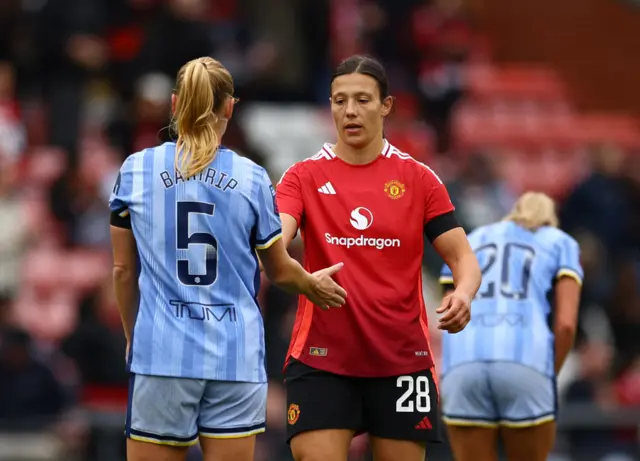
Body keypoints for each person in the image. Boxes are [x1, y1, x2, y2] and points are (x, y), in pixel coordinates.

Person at [109, 57, 347, 461]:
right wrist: (312, 284)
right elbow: (280, 271)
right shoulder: (252, 177)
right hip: (233, 356)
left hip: (162, 353)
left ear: (173, 104)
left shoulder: (137, 169)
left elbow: (122, 270)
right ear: (229, 107)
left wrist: (134, 335)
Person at [275, 54, 481, 461]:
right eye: (339, 100)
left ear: (386, 105)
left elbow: (463, 258)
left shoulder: (419, 179)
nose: (349, 111)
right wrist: (300, 279)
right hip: (322, 359)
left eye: (362, 100)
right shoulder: (302, 177)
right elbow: (276, 246)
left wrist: (464, 294)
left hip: (402, 361)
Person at [439, 192, 583, 461]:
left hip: (463, 361)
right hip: (525, 360)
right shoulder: (560, 241)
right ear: (550, 218)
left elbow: (447, 309)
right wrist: (549, 375)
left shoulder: (473, 239)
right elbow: (565, 325)